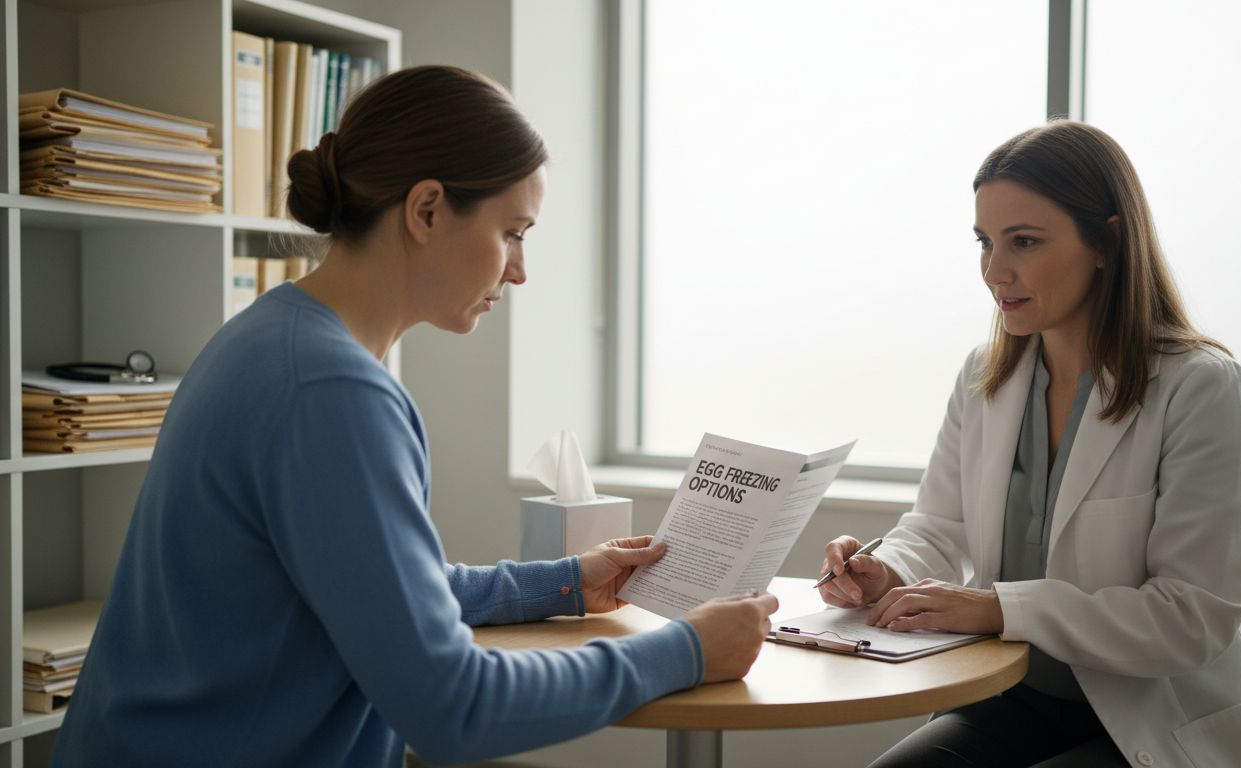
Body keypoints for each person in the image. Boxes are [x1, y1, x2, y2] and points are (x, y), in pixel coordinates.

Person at [51, 65, 778, 768]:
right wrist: (684, 650)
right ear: (426, 209)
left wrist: (561, 582)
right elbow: (452, 708)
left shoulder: (272, 339)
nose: (519, 270)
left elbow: (366, 591)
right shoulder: (331, 392)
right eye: (513, 232)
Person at [818, 121, 1241, 768]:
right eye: (985, 242)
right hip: (1014, 699)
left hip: (1161, 720)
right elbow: (940, 523)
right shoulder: (985, 375)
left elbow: (1190, 619)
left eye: (1023, 241)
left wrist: (994, 606)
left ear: (1106, 241)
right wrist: (887, 570)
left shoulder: (1202, 390)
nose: (995, 270)